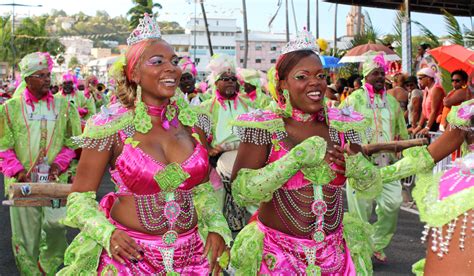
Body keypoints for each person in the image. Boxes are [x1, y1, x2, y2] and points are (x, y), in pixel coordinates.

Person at [58, 14, 231, 275]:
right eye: (158, 61)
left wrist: (216, 226)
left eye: (174, 61)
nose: (171, 68)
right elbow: (79, 199)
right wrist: (108, 234)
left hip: (193, 257)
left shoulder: (193, 124)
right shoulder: (110, 127)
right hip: (132, 261)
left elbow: (203, 189)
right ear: (135, 72)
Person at [229, 31, 380, 275]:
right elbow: (241, 191)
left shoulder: (342, 125)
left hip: (335, 256)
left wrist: (355, 166)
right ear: (282, 83)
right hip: (278, 257)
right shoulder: (265, 126)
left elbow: (370, 185)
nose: (316, 82)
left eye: (321, 75)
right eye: (302, 76)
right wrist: (296, 158)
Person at [345, 98, 474, 275]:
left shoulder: (391, 102)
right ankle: (370, 247)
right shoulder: (467, 113)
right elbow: (427, 157)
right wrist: (378, 175)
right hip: (468, 207)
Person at [0, 52, 82, 274]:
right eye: (40, 75)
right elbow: (3, 146)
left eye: (48, 74)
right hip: (23, 184)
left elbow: (71, 142)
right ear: (27, 79)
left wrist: (59, 165)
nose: (47, 79)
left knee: (56, 224)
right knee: (26, 236)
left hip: (55, 181)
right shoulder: (10, 109)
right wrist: (18, 172)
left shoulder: (63, 107)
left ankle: (48, 267)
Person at [340, 51, 409, 263]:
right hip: (360, 166)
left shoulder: (392, 103)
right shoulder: (353, 101)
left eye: (382, 73)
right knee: (361, 212)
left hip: (388, 165)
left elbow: (403, 133)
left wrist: (410, 155)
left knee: (393, 204)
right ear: (366, 76)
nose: (380, 77)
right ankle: (361, 253)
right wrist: (345, 152)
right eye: (375, 73)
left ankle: (376, 243)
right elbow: (338, 129)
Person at [200, 54, 251, 232]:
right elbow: (195, 135)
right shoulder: (205, 108)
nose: (230, 82)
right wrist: (208, 149)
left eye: (233, 79)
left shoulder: (248, 106)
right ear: (215, 83)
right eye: (225, 79)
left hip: (246, 155)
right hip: (216, 160)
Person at [411, 68, 445, 135]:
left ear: (428, 78)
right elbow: (424, 111)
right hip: (430, 122)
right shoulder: (426, 89)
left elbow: (434, 111)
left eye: (420, 78)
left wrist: (427, 127)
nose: (419, 81)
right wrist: (419, 126)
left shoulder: (436, 89)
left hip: (437, 123)